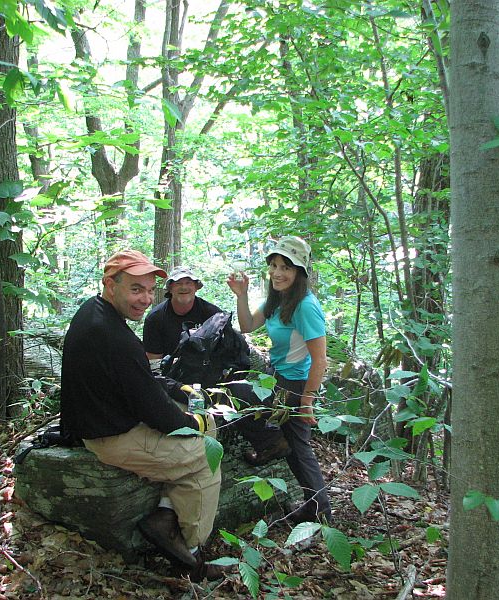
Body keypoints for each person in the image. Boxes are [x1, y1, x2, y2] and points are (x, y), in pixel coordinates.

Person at [60, 250, 227, 581]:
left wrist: (180, 391)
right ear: (111, 285)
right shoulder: (110, 335)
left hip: (110, 419)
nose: (146, 299)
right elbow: (153, 409)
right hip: (112, 437)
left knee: (203, 422)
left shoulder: (96, 313)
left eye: (150, 290)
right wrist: (192, 423)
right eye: (136, 289)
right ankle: (191, 555)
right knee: (208, 456)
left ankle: (164, 515)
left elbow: (140, 380)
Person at [227, 236, 332, 525]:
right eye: (274, 265)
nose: (277, 273)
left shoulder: (305, 306)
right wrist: (241, 295)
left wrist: (307, 400)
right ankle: (316, 509)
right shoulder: (277, 300)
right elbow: (247, 325)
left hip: (295, 385)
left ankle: (272, 444)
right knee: (297, 450)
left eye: (286, 267)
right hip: (279, 378)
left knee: (235, 394)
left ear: (300, 272)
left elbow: (320, 360)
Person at [143, 265, 223, 361]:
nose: (184, 287)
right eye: (178, 283)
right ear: (170, 288)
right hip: (167, 369)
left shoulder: (213, 315)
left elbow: (224, 351)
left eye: (188, 283)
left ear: (196, 287)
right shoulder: (155, 318)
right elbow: (153, 360)